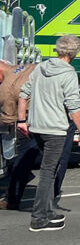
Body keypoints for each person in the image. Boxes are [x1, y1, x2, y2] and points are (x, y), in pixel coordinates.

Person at [19, 34, 80, 232]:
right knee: (48, 173)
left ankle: (48, 212)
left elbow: (23, 94)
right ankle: (39, 219)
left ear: (58, 50)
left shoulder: (41, 67)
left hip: (37, 127)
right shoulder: (69, 73)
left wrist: (22, 120)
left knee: (48, 170)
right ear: (75, 53)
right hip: (55, 130)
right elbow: (73, 107)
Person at [0, 61, 40, 211]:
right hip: (53, 117)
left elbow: (8, 118)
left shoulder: (6, 86)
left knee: (23, 158)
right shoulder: (24, 67)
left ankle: (12, 199)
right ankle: (50, 197)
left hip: (29, 123)